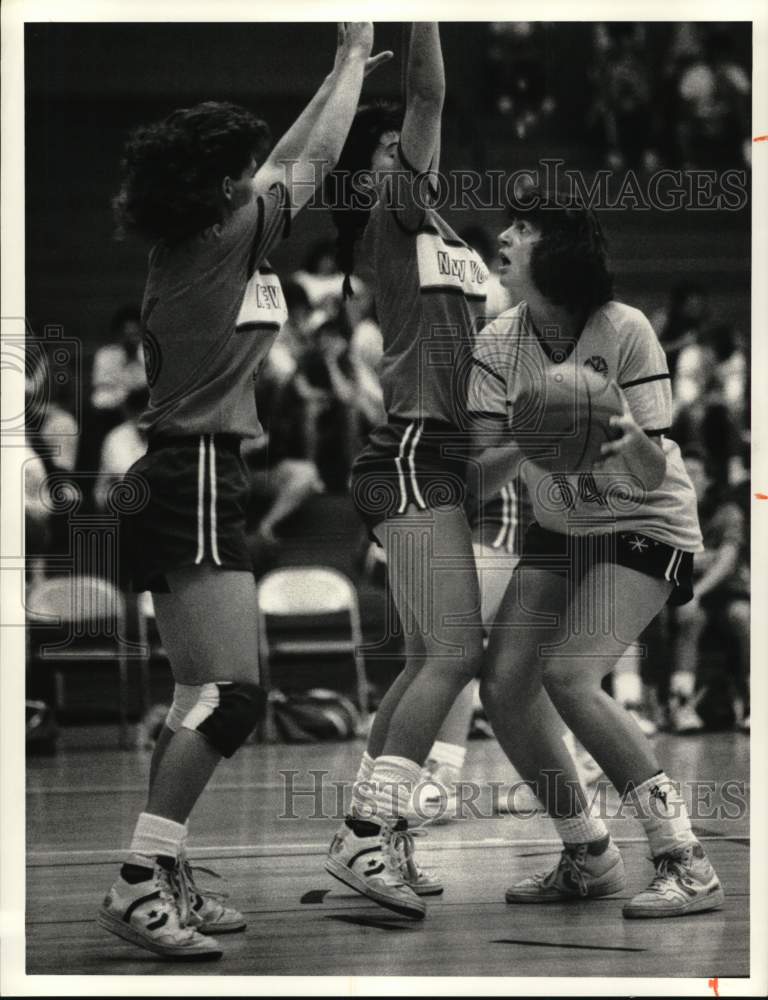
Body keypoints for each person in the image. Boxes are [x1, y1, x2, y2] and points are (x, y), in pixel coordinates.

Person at [98, 24, 392, 960]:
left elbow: (282, 157)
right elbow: (306, 168)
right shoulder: (226, 239)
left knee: (198, 697)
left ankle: (160, 870)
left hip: (179, 475)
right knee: (233, 699)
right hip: (197, 474)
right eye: (241, 171)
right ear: (223, 188)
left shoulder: (196, 240)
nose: (253, 177)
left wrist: (334, 73)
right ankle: (141, 879)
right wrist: (349, 66)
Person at [470, 188, 723, 919]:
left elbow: (650, 469)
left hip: (648, 518)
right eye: (510, 225)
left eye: (525, 228)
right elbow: (481, 480)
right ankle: (589, 853)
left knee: (571, 674)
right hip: (562, 526)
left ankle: (684, 857)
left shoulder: (626, 329)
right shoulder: (495, 343)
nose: (508, 236)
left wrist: (618, 432)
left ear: (560, 253)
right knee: (505, 684)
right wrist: (538, 430)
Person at [323, 23, 489, 920]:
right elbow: (429, 94)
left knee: (431, 655)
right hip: (415, 448)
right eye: (389, 142)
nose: (412, 147)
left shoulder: (438, 228)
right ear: (375, 162)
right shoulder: (393, 204)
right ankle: (364, 832)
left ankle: (375, 834)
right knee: (458, 655)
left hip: (440, 453)